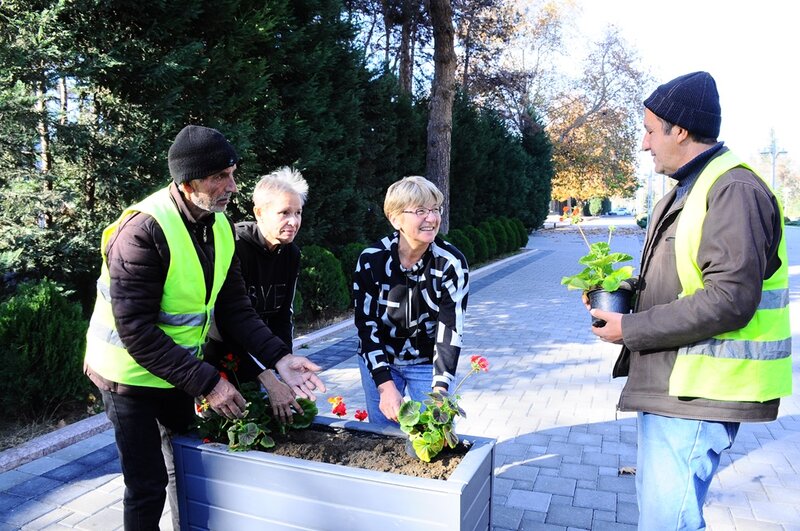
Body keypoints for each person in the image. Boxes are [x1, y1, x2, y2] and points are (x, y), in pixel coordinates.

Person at [83, 125, 326, 530]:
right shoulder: (141, 232)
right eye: (219, 177)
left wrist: (281, 359)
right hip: (127, 378)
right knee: (146, 484)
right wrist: (210, 383)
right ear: (188, 180)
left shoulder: (219, 228)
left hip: (176, 372)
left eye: (232, 173)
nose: (232, 186)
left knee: (186, 462)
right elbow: (136, 332)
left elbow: (236, 311)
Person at [590, 71, 791, 530]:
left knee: (668, 523)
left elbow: (729, 299)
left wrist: (632, 330)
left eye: (649, 129)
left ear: (679, 130)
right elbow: (682, 278)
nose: (643, 144)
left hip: (700, 387)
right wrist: (619, 299)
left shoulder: (732, 190)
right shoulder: (689, 187)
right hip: (677, 384)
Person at [353, 176, 469, 426]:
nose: (432, 218)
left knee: (435, 435)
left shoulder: (451, 264)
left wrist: (439, 392)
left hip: (427, 364)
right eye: (420, 211)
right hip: (381, 360)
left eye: (435, 209)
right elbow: (366, 326)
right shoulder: (372, 261)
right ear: (395, 219)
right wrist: (385, 385)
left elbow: (449, 330)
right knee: (381, 440)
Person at [205, 167, 308, 424]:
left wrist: (286, 364)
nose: (293, 221)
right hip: (221, 362)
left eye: (298, 213)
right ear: (259, 212)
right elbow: (227, 323)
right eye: (284, 213)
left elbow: (283, 315)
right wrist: (268, 377)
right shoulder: (235, 246)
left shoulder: (291, 254)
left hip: (257, 356)